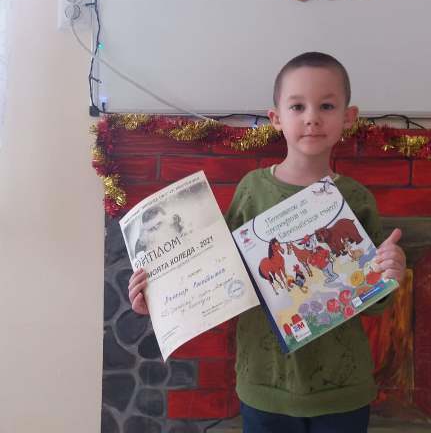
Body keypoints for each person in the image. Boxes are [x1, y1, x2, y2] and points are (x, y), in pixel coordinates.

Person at [128, 51, 406, 433]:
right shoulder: (251, 191)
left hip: (343, 390)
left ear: (348, 116)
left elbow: (375, 301)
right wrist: (161, 300)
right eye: (297, 106)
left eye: (326, 106)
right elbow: (217, 276)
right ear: (276, 118)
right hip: (263, 385)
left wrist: (392, 272)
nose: (311, 117)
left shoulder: (357, 199)